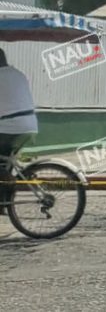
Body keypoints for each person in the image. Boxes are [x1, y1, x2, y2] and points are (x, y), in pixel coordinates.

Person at [0, 49, 37, 214]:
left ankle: (12, 180)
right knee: (4, 162)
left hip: (10, 126)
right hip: (29, 126)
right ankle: (2, 203)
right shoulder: (17, 74)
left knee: (3, 168)